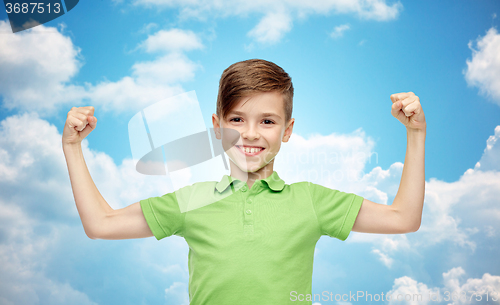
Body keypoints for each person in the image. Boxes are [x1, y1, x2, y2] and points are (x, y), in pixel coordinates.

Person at [62, 59, 426, 305]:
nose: (250, 134)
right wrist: (72, 147)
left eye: (267, 121)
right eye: (237, 120)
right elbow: (100, 224)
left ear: (288, 130)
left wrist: (416, 134)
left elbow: (403, 218)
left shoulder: (312, 202)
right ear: (217, 127)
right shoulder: (191, 201)